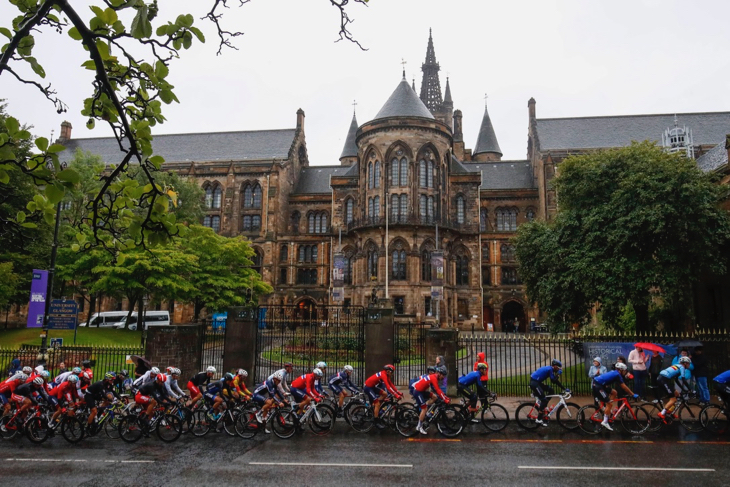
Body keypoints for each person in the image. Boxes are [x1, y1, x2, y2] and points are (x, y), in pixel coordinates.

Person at [592, 362, 639, 431]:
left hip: (601, 384)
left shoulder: (615, 373)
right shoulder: (617, 375)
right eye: (625, 370)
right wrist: (632, 394)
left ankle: (608, 410)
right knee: (609, 403)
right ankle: (605, 422)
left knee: (614, 392)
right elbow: (624, 387)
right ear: (621, 370)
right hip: (598, 385)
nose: (625, 372)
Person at [412, 366, 449, 434]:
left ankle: (425, 407)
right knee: (424, 409)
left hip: (422, 391)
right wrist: (444, 399)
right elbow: (437, 389)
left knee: (435, 397)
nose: (443, 377)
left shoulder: (435, 377)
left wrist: (445, 397)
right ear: (439, 374)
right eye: (443, 375)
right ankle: (419, 426)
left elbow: (437, 390)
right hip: (418, 391)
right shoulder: (434, 378)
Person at [529, 360, 568, 426]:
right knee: (543, 400)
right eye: (558, 368)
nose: (559, 369)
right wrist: (558, 375)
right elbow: (553, 380)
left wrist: (564, 389)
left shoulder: (550, 369)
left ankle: (544, 406)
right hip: (534, 383)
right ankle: (539, 419)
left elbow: (555, 381)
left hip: (537, 382)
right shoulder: (550, 369)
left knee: (551, 390)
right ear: (555, 366)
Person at [657, 356, 692, 421]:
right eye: (688, 363)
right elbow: (683, 380)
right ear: (685, 363)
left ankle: (670, 411)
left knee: (677, 394)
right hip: (663, 380)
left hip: (663, 379)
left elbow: (676, 380)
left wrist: (683, 389)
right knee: (673, 399)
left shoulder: (677, 366)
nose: (689, 365)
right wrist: (690, 389)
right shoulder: (682, 367)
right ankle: (662, 413)